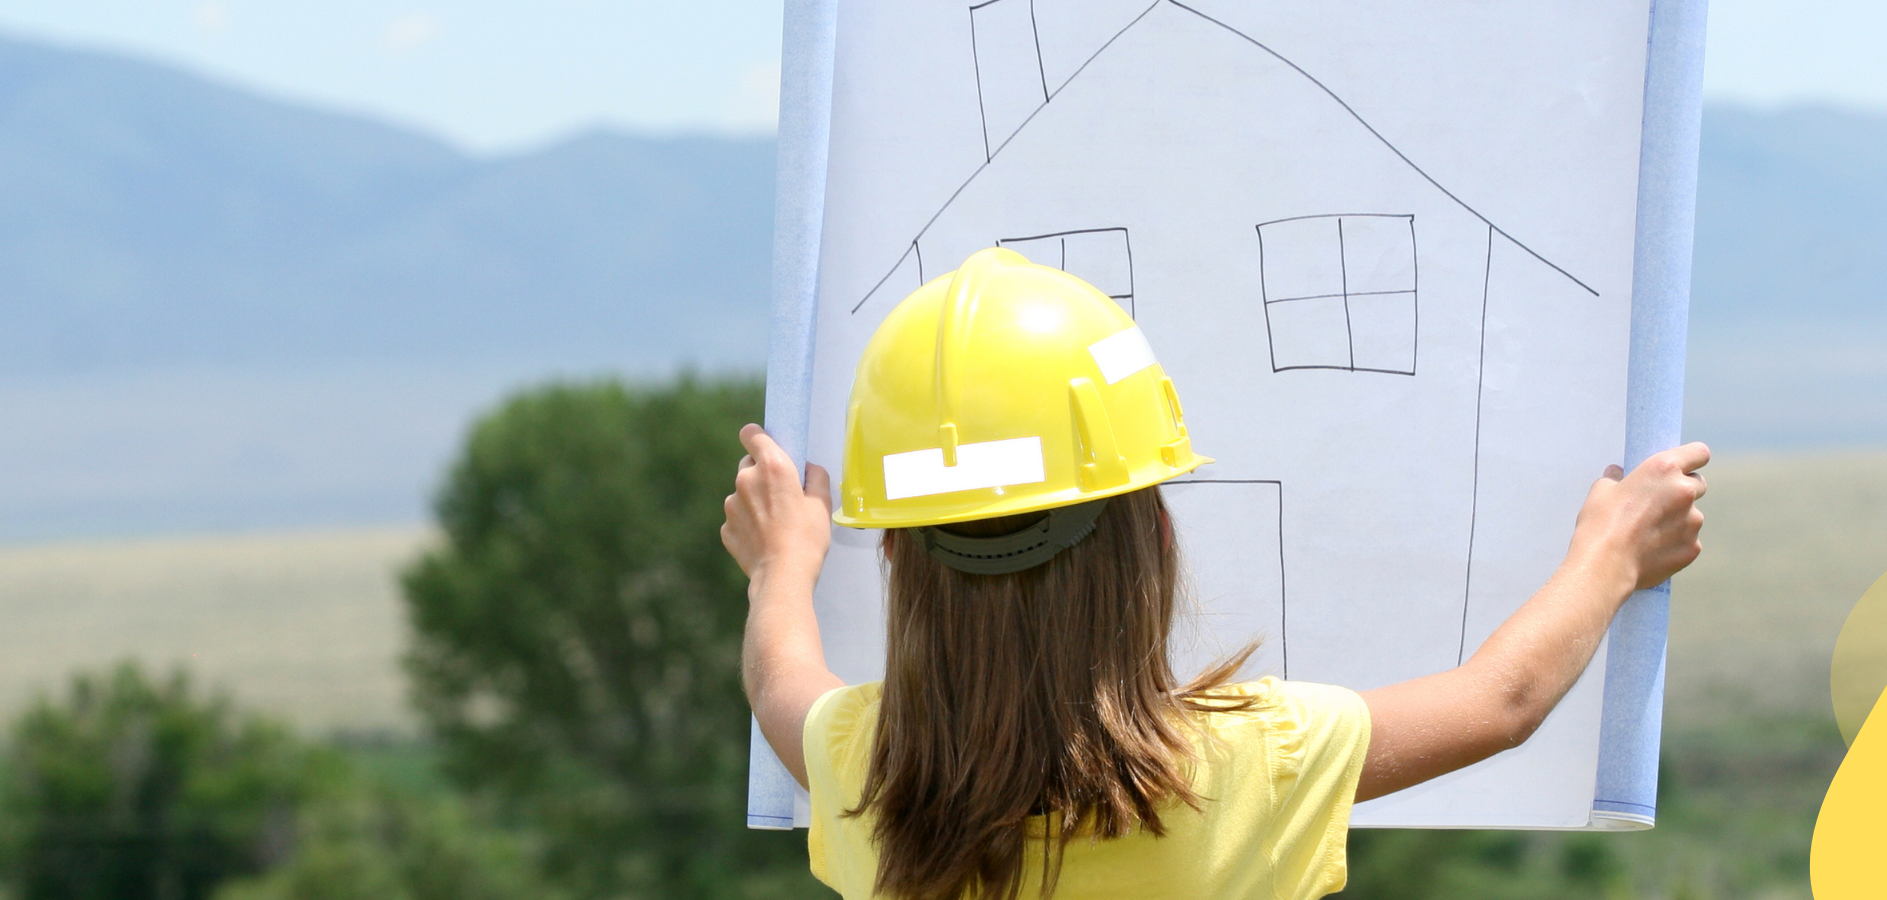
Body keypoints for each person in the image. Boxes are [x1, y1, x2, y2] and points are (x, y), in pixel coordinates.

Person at [721, 248, 1708, 900]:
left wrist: (784, 565)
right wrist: (1611, 554)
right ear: (1151, 533)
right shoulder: (1241, 764)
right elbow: (1503, 699)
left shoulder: (869, 769)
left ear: (893, 548)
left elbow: (778, 681)